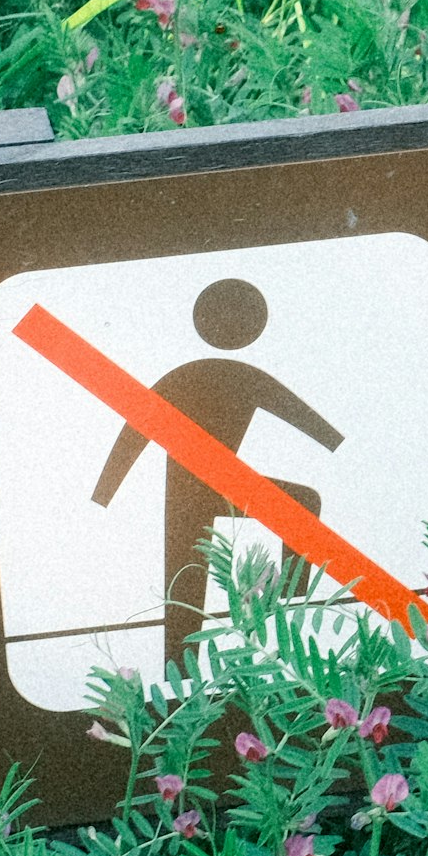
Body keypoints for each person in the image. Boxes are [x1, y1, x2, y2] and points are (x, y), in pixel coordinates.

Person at [88, 276, 343, 659]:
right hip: (195, 489)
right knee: (186, 589)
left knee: (301, 503)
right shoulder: (206, 377)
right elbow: (133, 434)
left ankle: (288, 599)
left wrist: (334, 440)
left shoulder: (226, 377)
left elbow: (301, 415)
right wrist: (102, 496)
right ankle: (189, 667)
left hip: (222, 483)